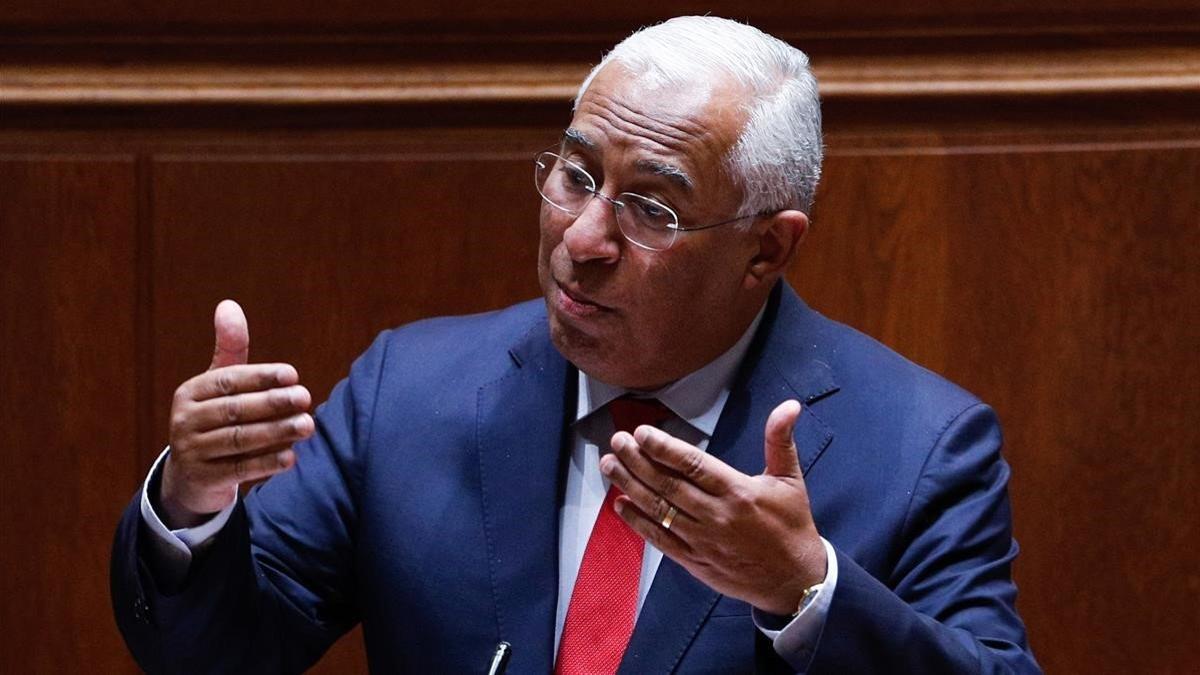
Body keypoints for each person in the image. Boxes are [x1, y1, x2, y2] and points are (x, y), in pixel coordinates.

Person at [112, 16, 1040, 674]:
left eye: (651, 207)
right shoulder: (411, 390)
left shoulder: (920, 445)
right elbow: (218, 650)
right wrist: (194, 502)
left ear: (767, 246)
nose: (583, 238)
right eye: (576, 173)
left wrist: (807, 591)